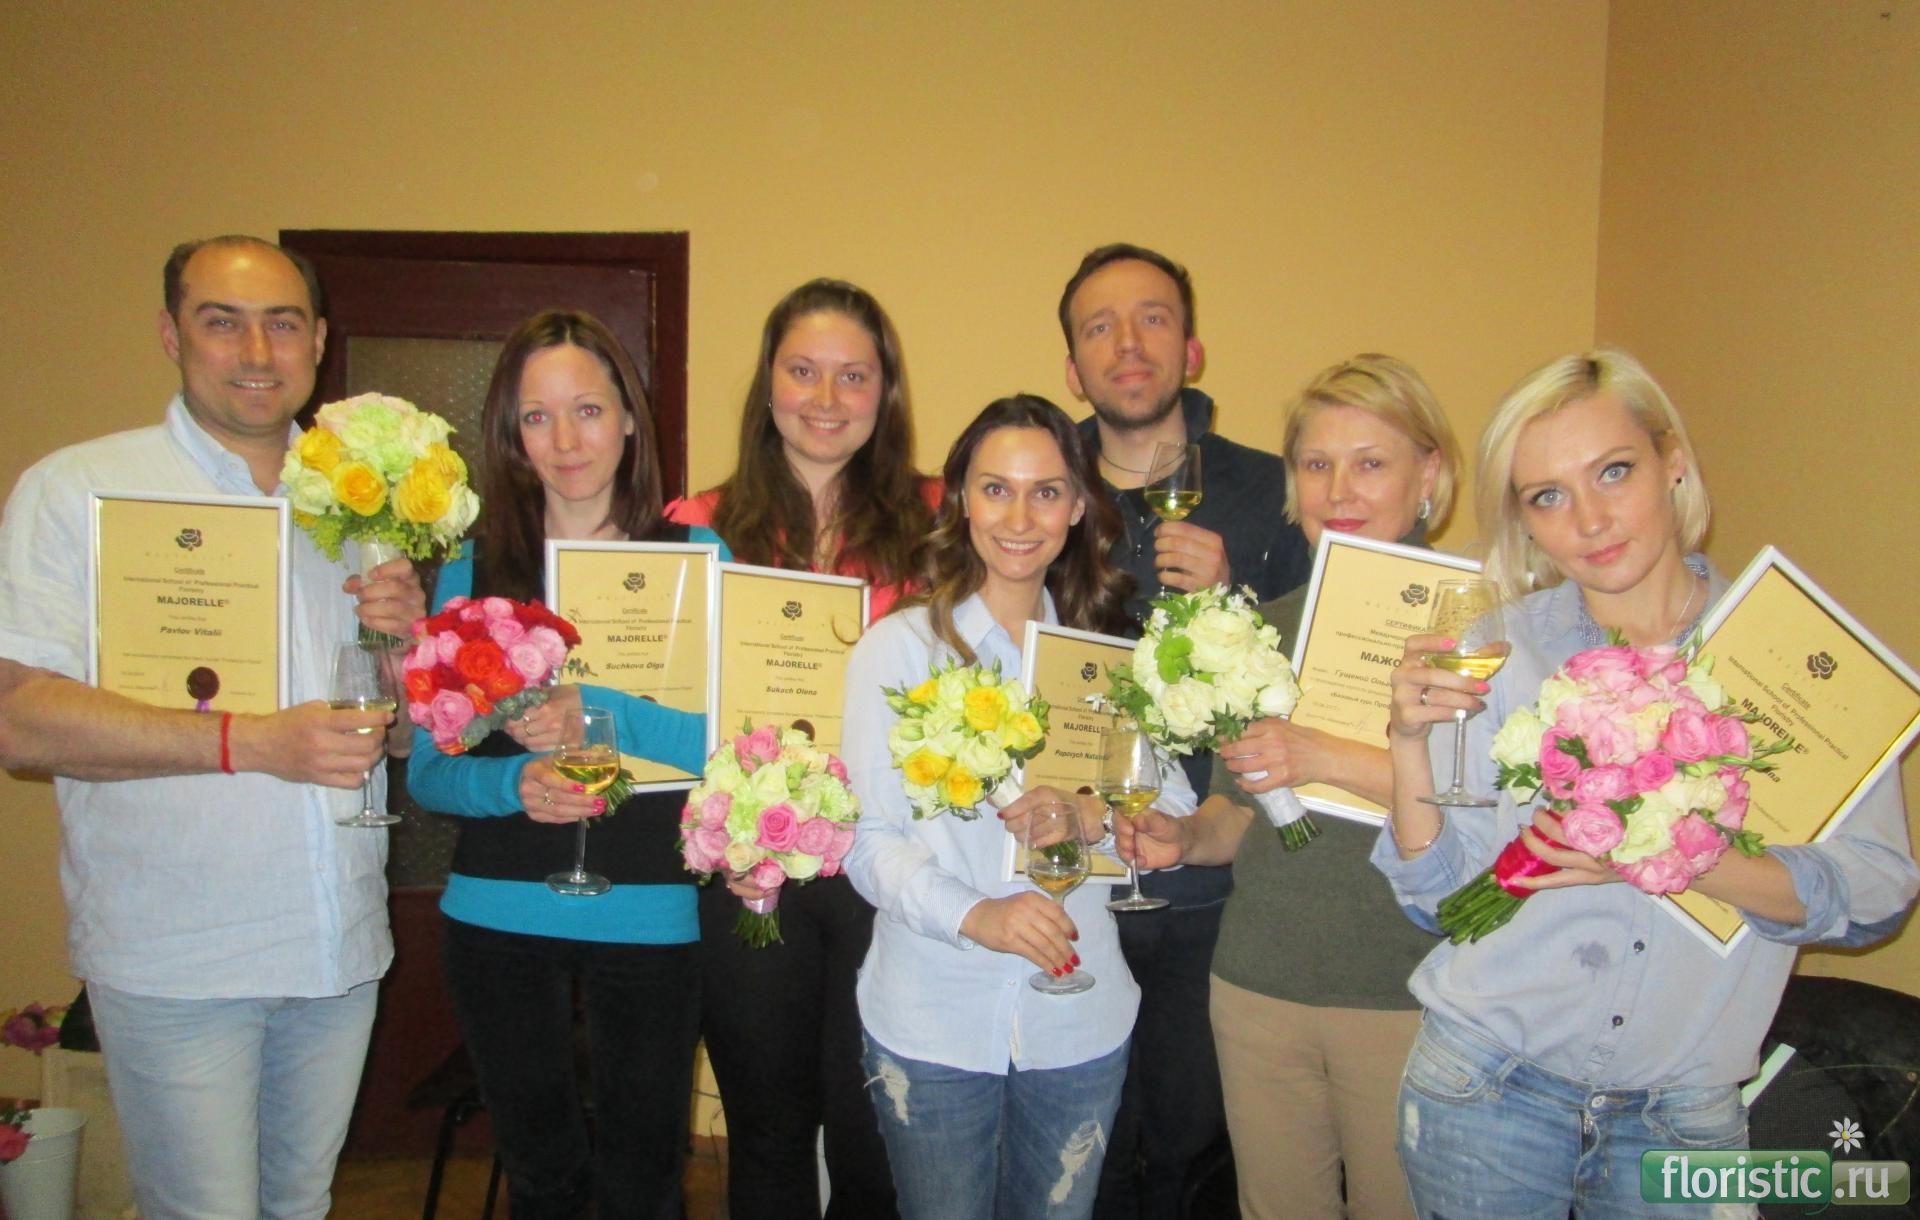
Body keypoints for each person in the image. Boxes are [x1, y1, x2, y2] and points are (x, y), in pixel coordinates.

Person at [1375, 349, 1918, 1218]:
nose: (1589, 520)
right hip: (1485, 1091)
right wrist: (1408, 743)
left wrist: (1678, 853)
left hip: (1685, 1117)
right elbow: (1439, 903)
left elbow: (1878, 894)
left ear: (1673, 463)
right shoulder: (1500, 648)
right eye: (1547, 496)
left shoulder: (1790, 660)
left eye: (1613, 472)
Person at [0, 235, 425, 1220]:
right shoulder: (79, 489)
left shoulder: (355, 504)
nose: (257, 351)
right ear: (171, 334)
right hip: (181, 952)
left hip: (337, 946)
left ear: (319, 339)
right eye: (222, 321)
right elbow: (18, 718)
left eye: (283, 323)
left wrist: (402, 654)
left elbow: (393, 738)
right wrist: (251, 741)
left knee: (301, 1205)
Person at [843, 394, 1197, 1220]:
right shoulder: (900, 649)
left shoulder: (1110, 656)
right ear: (960, 499)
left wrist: (1091, 815)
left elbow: (1172, 802)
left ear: (1077, 508)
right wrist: (978, 916)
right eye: (995, 488)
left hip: (1080, 1020)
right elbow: (866, 838)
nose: (1019, 517)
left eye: (1046, 492)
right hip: (931, 1018)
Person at [1122, 354, 1457, 1219]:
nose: (1338, 489)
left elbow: (1493, 816)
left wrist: (1326, 756)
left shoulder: (1480, 630)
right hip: (1257, 984)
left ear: (1429, 476)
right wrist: (1186, 837)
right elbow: (1243, 812)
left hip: (1408, 993)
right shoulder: (1259, 627)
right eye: (1316, 464)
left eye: (1370, 462)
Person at [405, 310, 723, 1219]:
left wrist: (606, 715)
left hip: (652, 915)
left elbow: (739, 750)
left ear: (628, 420)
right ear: (513, 435)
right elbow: (428, 771)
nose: (567, 441)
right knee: (541, 1184)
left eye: (587, 410)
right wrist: (511, 784)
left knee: (643, 1187)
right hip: (497, 919)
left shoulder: (698, 561)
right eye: (537, 417)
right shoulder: (472, 570)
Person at [666, 279, 936, 1219]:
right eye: (803, 371)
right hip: (752, 874)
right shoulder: (695, 526)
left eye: (853, 375)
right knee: (769, 1135)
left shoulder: (939, 524)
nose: (826, 398)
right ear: (768, 383)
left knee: (873, 1135)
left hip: (884, 870)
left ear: (885, 391)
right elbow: (667, 705)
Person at [1057, 242, 1312, 1218]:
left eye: (1153, 318)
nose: (1128, 342)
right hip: (1074, 879)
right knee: (1081, 1152)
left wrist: (1234, 595)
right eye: (1100, 326)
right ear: (1074, 369)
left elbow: (1315, 680)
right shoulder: (1044, 492)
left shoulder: (1274, 492)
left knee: (1193, 1156)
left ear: (1192, 350)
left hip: (1218, 891)